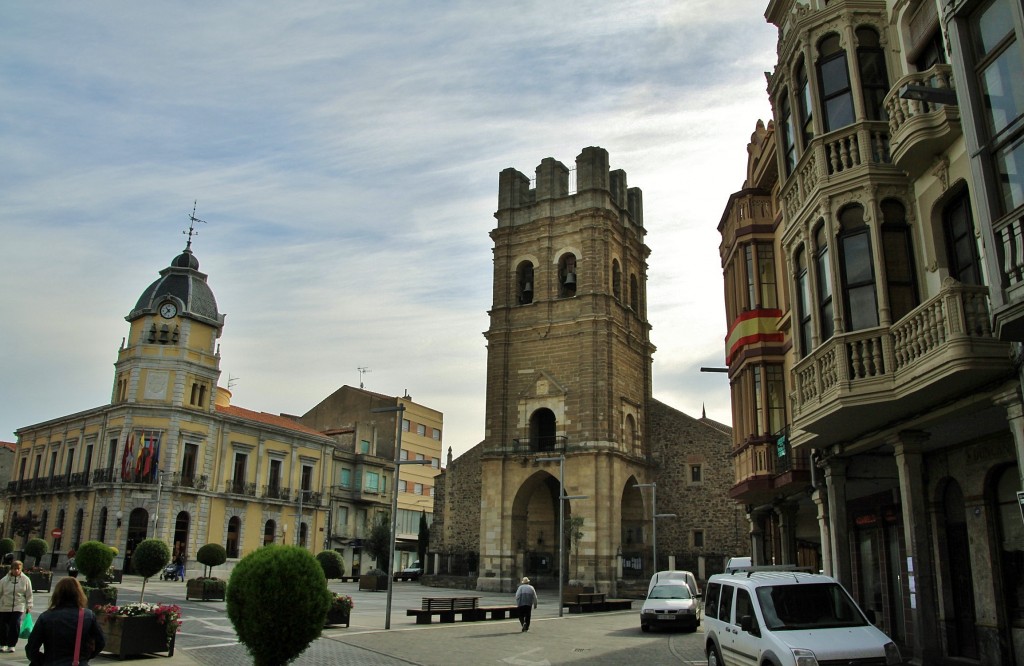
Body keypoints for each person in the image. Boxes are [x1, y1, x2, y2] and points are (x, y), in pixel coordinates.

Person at [26, 576, 105, 665]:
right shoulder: (87, 616)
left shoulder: (46, 617)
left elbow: (31, 649)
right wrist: (85, 657)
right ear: (79, 594)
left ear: (57, 594)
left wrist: (44, 660)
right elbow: (101, 642)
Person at [0, 559, 33, 653]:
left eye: (18, 569)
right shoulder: (4, 580)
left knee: (15, 625)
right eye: (14, 569)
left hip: (18, 606)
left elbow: (29, 594)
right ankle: (3, 644)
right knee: (3, 626)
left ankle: (11, 645)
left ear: (21, 569)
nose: (16, 571)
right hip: (5, 606)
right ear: (11, 569)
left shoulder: (26, 580)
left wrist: (29, 605)